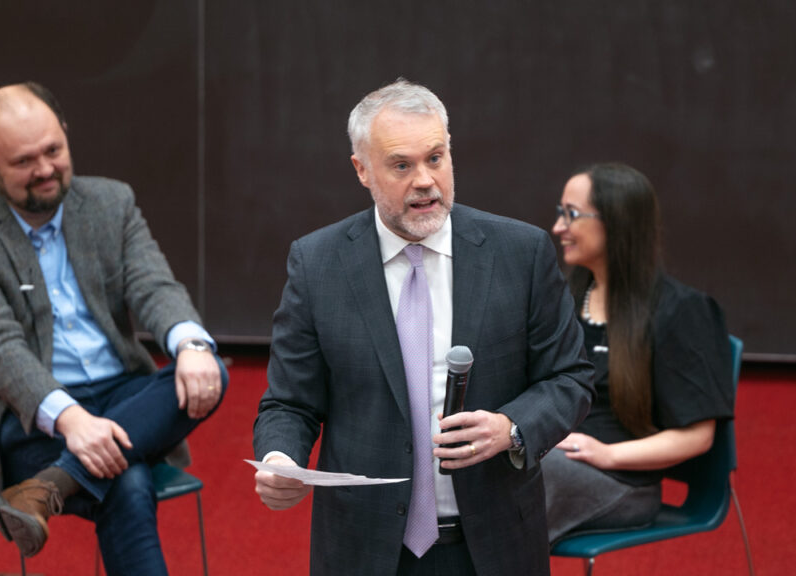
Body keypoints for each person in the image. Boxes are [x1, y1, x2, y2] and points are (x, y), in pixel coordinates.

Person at [252, 78, 595, 575]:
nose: (425, 181)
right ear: (362, 170)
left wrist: (511, 427)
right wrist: (280, 460)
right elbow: (290, 401)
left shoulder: (520, 253)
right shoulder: (318, 263)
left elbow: (570, 378)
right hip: (364, 547)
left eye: (436, 158)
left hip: (492, 542)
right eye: (401, 165)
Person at [0, 82, 227, 575]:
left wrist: (190, 343)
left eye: (54, 150)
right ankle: (59, 475)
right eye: (23, 162)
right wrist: (72, 421)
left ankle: (51, 486)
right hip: (21, 413)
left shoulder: (110, 203)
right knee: (127, 481)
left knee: (210, 368)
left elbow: (153, 286)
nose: (46, 169)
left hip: (120, 396)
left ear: (66, 135)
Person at [544, 162, 735, 544]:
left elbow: (697, 437)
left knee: (523, 478)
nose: (558, 228)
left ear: (616, 224)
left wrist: (607, 454)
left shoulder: (681, 311)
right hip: (557, 460)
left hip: (621, 482)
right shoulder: (565, 297)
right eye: (560, 213)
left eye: (572, 215)